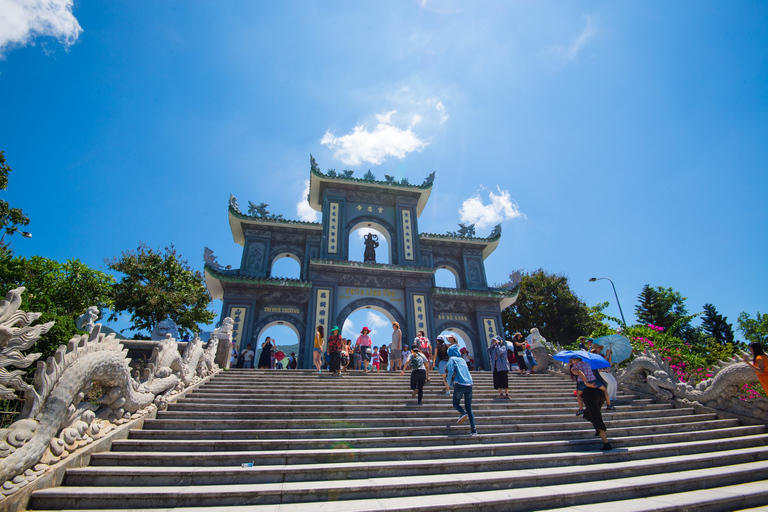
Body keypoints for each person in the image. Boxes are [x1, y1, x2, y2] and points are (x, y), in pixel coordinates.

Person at [570, 355, 611, 450]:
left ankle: (606, 442)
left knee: (595, 415)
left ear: (575, 360)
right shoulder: (588, 364)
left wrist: (586, 383)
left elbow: (579, 373)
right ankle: (609, 405)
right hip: (600, 391)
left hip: (589, 392)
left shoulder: (575, 368)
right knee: (589, 413)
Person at [446, 344, 477, 435]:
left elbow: (451, 370)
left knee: (455, 403)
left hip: (459, 384)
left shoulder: (452, 359)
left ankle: (463, 413)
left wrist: (449, 382)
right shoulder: (463, 360)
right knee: (469, 407)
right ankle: (473, 430)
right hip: (469, 384)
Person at [487, 335, 511, 399]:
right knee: (497, 381)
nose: (494, 342)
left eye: (495, 340)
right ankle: (501, 394)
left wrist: (497, 345)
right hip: (495, 366)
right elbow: (488, 351)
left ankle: (506, 394)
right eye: (493, 341)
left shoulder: (503, 347)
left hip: (502, 366)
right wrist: (493, 346)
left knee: (504, 380)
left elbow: (499, 352)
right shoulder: (493, 348)